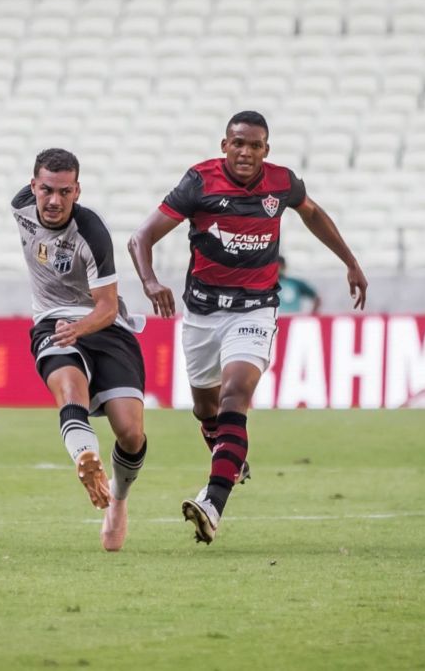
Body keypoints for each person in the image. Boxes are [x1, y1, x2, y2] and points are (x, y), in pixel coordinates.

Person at [127, 111, 368, 545]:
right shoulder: (199, 183)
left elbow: (312, 213)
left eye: (254, 145)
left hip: (254, 310)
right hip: (201, 313)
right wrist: (149, 281)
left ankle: (212, 502)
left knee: (235, 393)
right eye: (238, 143)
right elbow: (139, 238)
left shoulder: (281, 183)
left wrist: (349, 261)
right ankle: (230, 456)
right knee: (206, 411)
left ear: (266, 150)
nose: (245, 152)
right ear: (224, 145)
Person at [12, 147, 148, 552]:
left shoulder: (92, 233)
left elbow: (107, 307)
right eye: (47, 190)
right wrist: (63, 330)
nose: (54, 201)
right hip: (52, 322)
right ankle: (86, 458)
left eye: (65, 192)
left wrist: (80, 328)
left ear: (78, 191)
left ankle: (117, 503)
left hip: (104, 325)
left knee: (131, 432)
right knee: (70, 391)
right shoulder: (20, 206)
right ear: (33, 186)